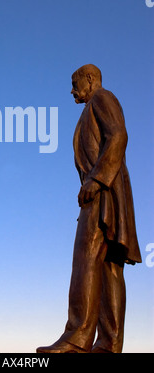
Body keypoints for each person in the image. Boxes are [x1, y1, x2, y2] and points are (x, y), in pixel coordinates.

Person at [36, 64, 142, 354]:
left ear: (90, 79)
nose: (72, 90)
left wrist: (95, 180)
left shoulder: (102, 99)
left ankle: (77, 337)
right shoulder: (93, 105)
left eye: (75, 83)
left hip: (102, 191)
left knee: (86, 258)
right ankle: (109, 344)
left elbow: (118, 135)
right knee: (108, 267)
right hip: (107, 189)